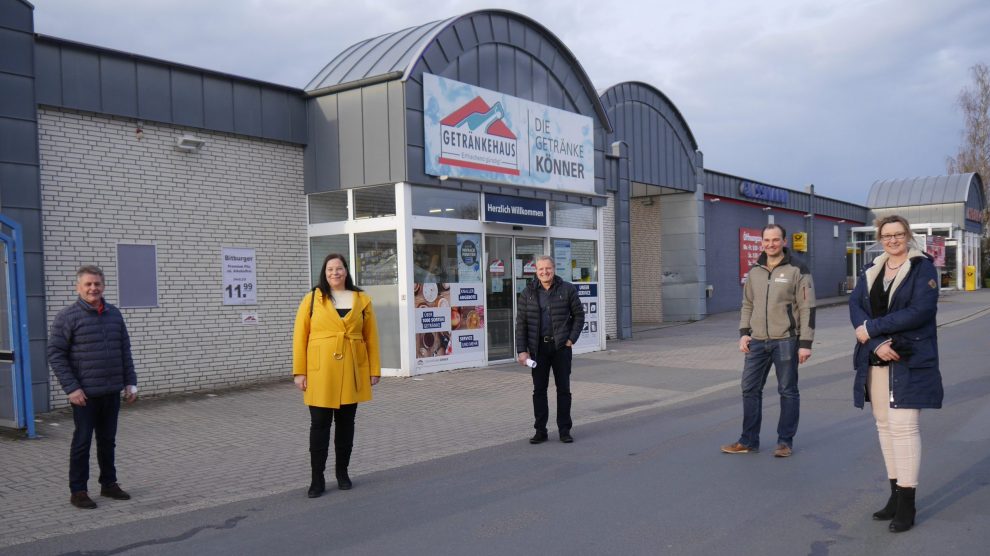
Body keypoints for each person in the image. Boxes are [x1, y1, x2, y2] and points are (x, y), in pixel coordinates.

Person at [849, 215, 942, 533]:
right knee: (884, 428)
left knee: (903, 430)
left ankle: (908, 504)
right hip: (877, 358)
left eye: (898, 234)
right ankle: (893, 497)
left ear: (907, 235)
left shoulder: (922, 267)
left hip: (909, 357)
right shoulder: (872, 269)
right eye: (886, 235)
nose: (892, 240)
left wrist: (873, 329)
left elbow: (921, 311)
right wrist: (875, 343)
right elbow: (855, 306)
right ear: (880, 238)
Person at [721, 224, 816, 458]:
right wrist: (744, 332)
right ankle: (748, 440)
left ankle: (785, 442)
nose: (770, 244)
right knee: (750, 389)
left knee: (788, 391)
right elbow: (747, 304)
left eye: (775, 240)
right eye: (766, 240)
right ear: (762, 242)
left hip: (786, 340)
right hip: (757, 341)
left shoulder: (798, 269)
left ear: (784, 241)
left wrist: (805, 343)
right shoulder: (755, 271)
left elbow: (807, 308)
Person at [48, 265, 138, 509]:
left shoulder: (114, 314)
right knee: (82, 442)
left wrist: (130, 382)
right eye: (88, 284)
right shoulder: (67, 317)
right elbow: (56, 354)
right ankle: (78, 490)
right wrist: (72, 388)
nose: (93, 288)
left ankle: (109, 484)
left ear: (103, 286)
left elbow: (124, 350)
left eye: (97, 284)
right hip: (84, 395)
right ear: (78, 287)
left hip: (111, 391)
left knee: (108, 440)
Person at [293, 254, 381, 498]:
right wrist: (299, 371)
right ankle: (317, 479)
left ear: (346, 271)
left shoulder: (361, 299)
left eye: (339, 268)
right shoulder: (312, 299)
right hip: (320, 372)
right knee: (319, 425)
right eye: (330, 269)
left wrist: (374, 370)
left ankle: (342, 473)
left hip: (352, 369)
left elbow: (371, 337)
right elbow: (300, 337)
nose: (335, 273)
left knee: (346, 425)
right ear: (325, 272)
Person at [516, 255, 584, 444]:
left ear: (554, 269)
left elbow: (579, 315)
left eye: (548, 268)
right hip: (538, 349)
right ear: (536, 271)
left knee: (563, 389)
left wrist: (571, 339)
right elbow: (520, 324)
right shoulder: (527, 293)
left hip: (561, 347)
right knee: (539, 390)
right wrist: (522, 350)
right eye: (541, 269)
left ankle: (564, 430)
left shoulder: (567, 289)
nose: (545, 272)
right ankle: (540, 431)